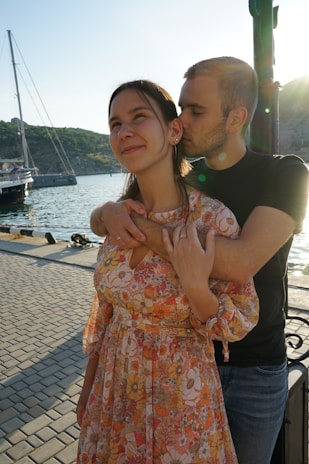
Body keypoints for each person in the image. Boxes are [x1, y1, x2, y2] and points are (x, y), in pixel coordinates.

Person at [90, 57, 309, 464]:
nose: (182, 119)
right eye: (180, 108)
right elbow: (132, 204)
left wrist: (136, 223)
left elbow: (240, 262)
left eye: (196, 110)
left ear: (235, 118)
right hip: (179, 366)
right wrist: (106, 212)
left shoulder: (285, 174)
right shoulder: (188, 176)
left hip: (254, 369)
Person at [76, 79, 259, 463]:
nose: (124, 131)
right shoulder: (118, 216)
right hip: (113, 397)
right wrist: (88, 389)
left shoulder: (211, 219)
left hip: (181, 406)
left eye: (138, 117)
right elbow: (106, 313)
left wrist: (196, 287)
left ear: (174, 130)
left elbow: (239, 321)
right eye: (114, 124)